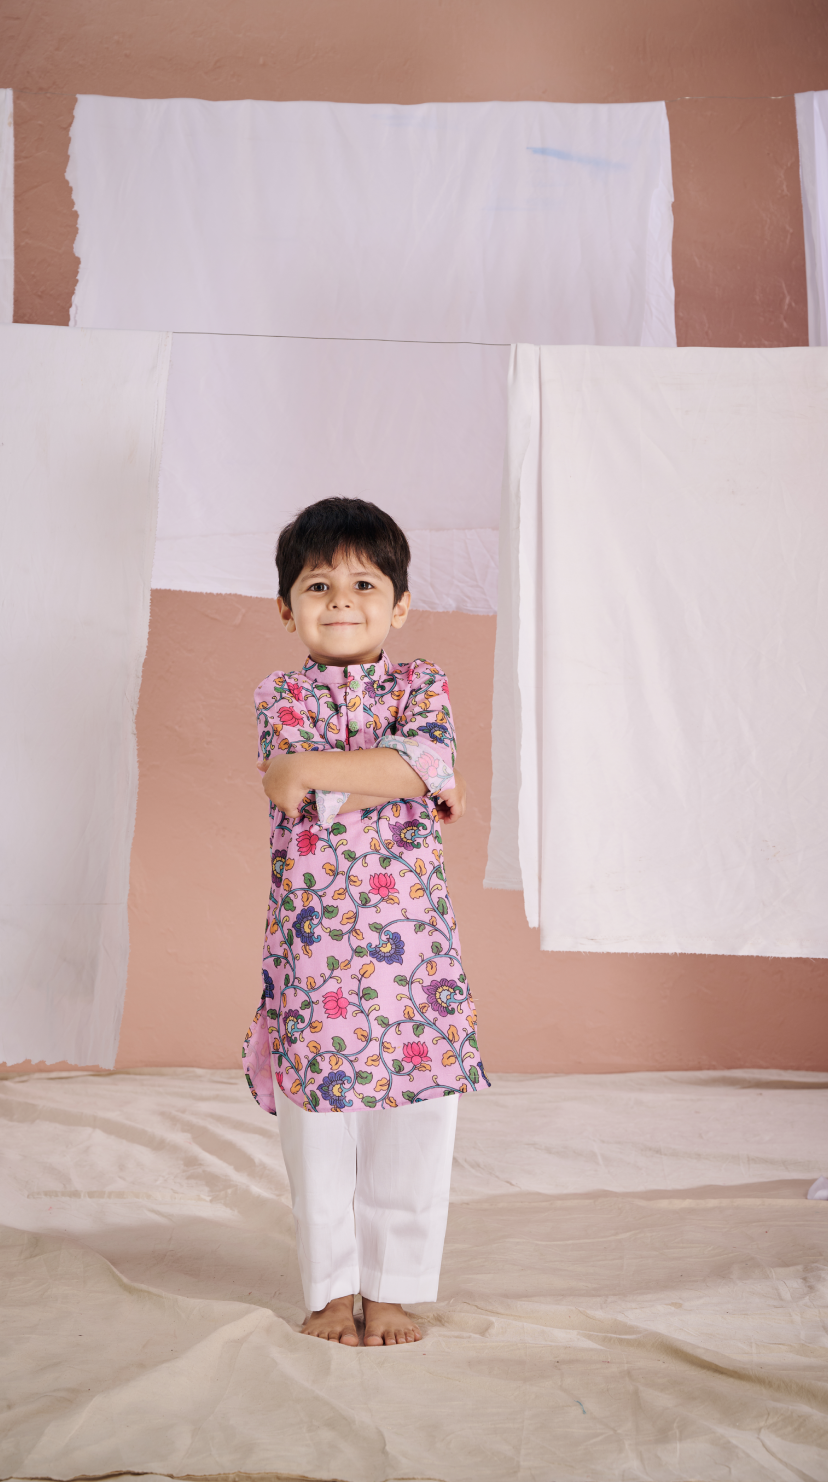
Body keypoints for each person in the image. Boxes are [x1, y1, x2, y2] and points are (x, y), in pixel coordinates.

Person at [243, 496, 490, 1347]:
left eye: (362, 583)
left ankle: (391, 1287)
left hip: (412, 953)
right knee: (317, 1125)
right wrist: (399, 772)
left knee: (415, 1118)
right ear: (287, 609)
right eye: (317, 585)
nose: (341, 600)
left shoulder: (423, 684)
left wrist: (328, 766)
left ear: (400, 605)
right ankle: (328, 1287)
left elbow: (419, 759)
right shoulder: (278, 693)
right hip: (315, 950)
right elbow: (293, 784)